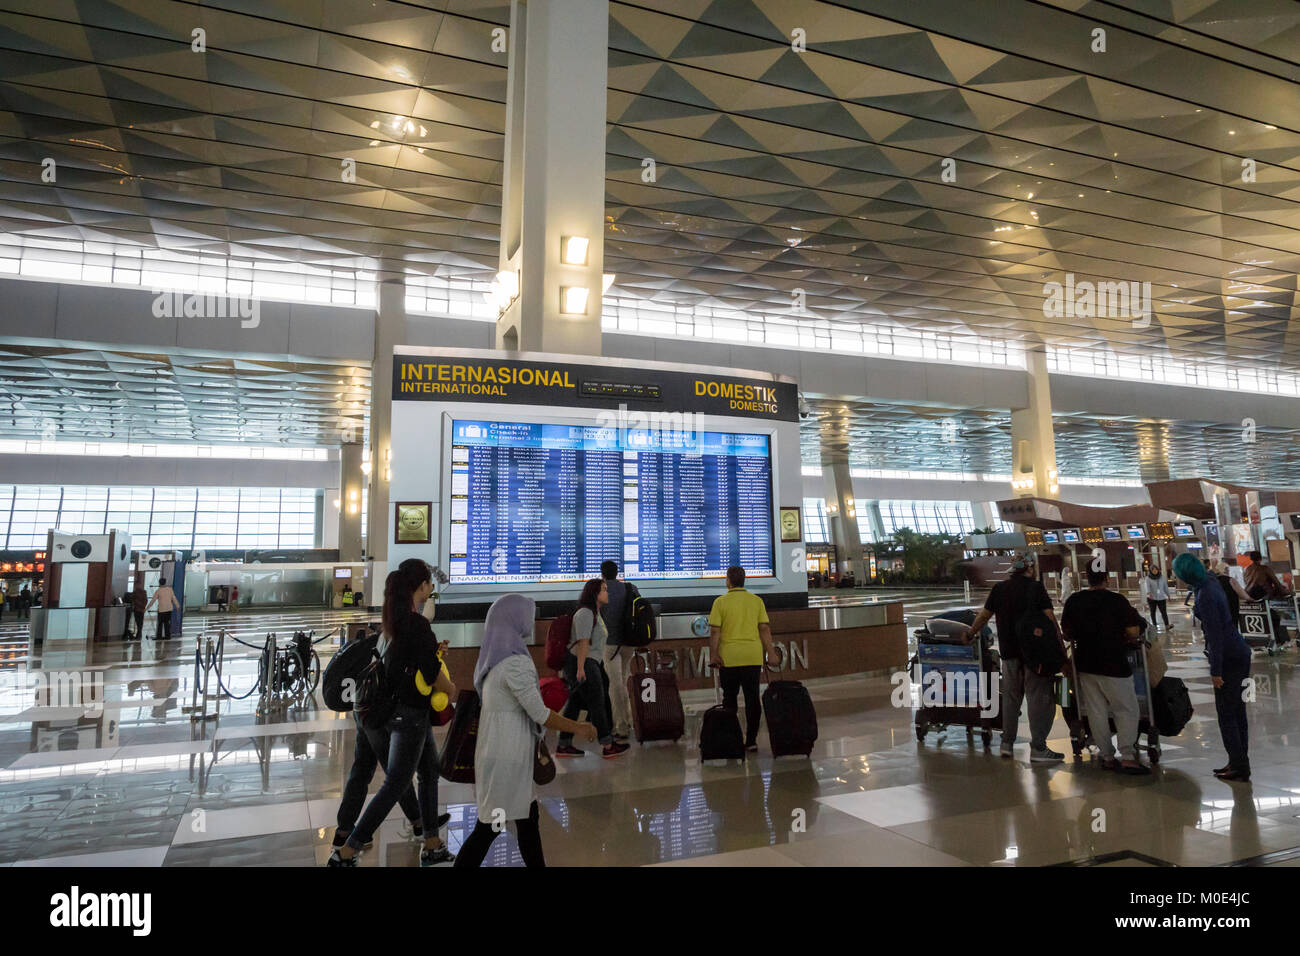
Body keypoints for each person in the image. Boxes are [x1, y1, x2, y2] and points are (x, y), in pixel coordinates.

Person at [455, 593, 597, 868]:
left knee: (527, 821)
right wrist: (579, 727)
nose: (530, 621)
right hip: (507, 761)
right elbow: (540, 714)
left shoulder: (493, 660)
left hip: (501, 756)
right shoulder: (515, 664)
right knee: (489, 828)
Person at [329, 560, 456, 866]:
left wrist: (432, 652)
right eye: (428, 585)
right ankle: (348, 850)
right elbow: (431, 671)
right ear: (422, 586)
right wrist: (451, 690)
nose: (430, 590)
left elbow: (410, 660)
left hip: (399, 711)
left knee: (428, 773)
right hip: (409, 714)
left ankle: (432, 842)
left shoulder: (394, 620)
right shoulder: (417, 623)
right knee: (397, 782)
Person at [332, 622, 448, 856]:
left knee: (365, 769)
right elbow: (421, 671)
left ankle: (345, 832)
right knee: (397, 778)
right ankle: (350, 847)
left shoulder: (390, 626)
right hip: (381, 711)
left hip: (365, 707)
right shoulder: (410, 626)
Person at [964, 551, 1063, 762]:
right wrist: (1059, 646)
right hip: (1034, 655)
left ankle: (1007, 743)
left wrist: (970, 634)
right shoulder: (1036, 588)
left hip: (1009, 653)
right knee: (1038, 699)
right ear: (1029, 568)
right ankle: (1038, 748)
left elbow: (984, 616)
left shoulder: (1000, 589)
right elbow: (1049, 618)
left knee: (1011, 699)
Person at [1061, 568, 1149, 774]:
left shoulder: (1075, 600)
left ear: (1086, 578)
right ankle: (1127, 755)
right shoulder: (1117, 601)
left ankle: (1107, 756)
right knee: (1126, 708)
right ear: (1107, 579)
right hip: (1114, 663)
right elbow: (1133, 631)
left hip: (1085, 663)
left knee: (1096, 710)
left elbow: (1066, 633)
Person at [1173, 553, 1251, 782]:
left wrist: (1215, 671)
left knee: (1227, 714)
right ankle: (1238, 761)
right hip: (1239, 651)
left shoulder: (1205, 593)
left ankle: (1239, 766)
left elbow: (1215, 636)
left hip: (1228, 657)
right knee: (1237, 712)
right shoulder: (1209, 582)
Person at [707, 566, 779, 753]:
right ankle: (751, 741)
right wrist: (771, 652)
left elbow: (715, 631)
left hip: (729, 658)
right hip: (752, 656)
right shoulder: (756, 601)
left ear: (728, 581)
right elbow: (764, 628)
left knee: (729, 699)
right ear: (744, 580)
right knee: (752, 698)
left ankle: (733, 738)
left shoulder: (720, 602)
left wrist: (713, 654)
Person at [555, 578, 628, 759]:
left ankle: (564, 745)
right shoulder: (585, 613)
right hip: (583, 663)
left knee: (575, 703)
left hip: (590, 662)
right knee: (597, 702)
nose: (607, 593)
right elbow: (583, 642)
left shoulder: (595, 613)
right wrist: (581, 669)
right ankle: (608, 744)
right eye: (604, 590)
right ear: (595, 593)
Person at [599, 560, 634, 745]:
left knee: (615, 684)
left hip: (610, 644)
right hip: (628, 642)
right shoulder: (629, 588)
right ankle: (627, 721)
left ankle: (620, 727)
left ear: (602, 573)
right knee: (623, 680)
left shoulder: (601, 589)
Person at [1141, 566, 1171, 631]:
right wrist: (1148, 593)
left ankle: (1167, 625)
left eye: (1156, 570)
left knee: (1164, 612)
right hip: (1152, 598)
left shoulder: (1162, 578)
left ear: (1158, 570)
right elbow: (1147, 587)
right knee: (1152, 612)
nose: (1155, 571)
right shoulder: (1148, 578)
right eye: (1153, 570)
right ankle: (1154, 625)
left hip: (1161, 598)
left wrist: (1168, 595)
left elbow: (1165, 587)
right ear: (1151, 571)